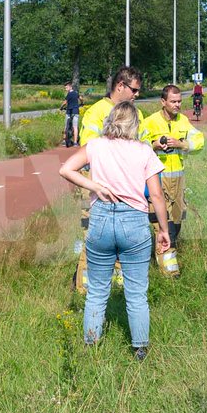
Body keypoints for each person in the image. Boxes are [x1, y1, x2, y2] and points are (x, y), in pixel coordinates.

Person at [60, 101, 169, 361]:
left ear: (110, 120)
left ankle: (91, 346)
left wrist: (95, 187)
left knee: (97, 291)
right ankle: (140, 349)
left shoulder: (96, 146)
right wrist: (164, 230)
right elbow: (156, 195)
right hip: (134, 222)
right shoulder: (144, 151)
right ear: (135, 124)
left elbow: (66, 169)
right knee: (136, 293)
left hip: (100, 219)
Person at [72, 66, 144, 293]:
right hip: (97, 185)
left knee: (123, 237)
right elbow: (88, 149)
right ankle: (85, 290)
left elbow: (143, 147)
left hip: (126, 187)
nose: (137, 95)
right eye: (134, 90)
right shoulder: (96, 112)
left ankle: (119, 289)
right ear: (120, 86)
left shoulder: (137, 114)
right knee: (93, 236)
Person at [140, 84, 204, 277]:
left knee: (176, 220)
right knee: (161, 220)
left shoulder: (183, 121)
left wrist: (181, 144)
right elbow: (138, 145)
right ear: (163, 102)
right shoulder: (150, 122)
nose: (177, 105)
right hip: (157, 179)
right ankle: (168, 268)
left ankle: (169, 252)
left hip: (178, 178)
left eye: (179, 101)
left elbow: (199, 141)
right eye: (173, 101)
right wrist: (155, 145)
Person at [62, 81, 81, 147]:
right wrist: (82, 103)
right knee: (75, 127)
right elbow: (81, 98)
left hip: (69, 112)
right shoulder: (76, 93)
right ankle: (75, 143)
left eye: (66, 87)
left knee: (66, 126)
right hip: (75, 111)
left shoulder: (69, 94)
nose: (65, 89)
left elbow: (65, 102)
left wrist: (61, 107)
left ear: (70, 87)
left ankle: (64, 141)